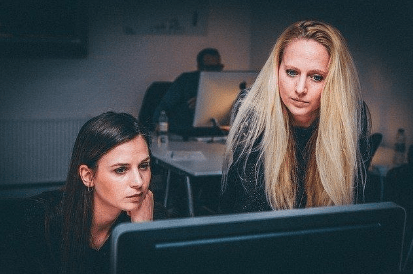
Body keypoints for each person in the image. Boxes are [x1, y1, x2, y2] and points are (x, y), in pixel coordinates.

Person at [220, 20, 371, 214]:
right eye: (291, 72)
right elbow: (251, 209)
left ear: (334, 81)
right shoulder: (254, 110)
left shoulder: (352, 116)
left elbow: (350, 207)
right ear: (277, 69)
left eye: (316, 77)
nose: (300, 89)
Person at [4, 112, 168, 274]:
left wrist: (141, 233)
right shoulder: (40, 220)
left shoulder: (151, 219)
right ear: (88, 176)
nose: (139, 182)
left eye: (144, 166)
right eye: (120, 170)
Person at [153, 48, 224, 136]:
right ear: (199, 67)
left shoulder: (224, 85)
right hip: (186, 132)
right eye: (209, 68)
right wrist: (158, 125)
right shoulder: (186, 80)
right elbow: (164, 105)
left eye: (218, 68)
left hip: (214, 133)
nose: (214, 72)